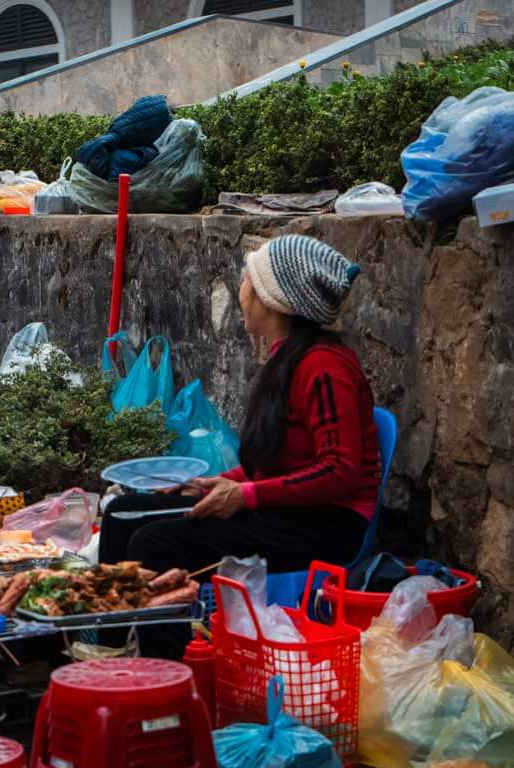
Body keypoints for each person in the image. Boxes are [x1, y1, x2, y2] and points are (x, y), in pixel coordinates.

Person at [99, 234, 381, 659]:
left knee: (154, 544)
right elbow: (281, 460)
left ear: (274, 300)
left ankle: (174, 676)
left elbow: (339, 472)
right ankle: (111, 655)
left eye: (249, 279)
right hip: (290, 507)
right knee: (122, 515)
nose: (242, 287)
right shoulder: (287, 358)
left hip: (329, 524)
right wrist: (218, 483)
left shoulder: (323, 368)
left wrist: (246, 495)